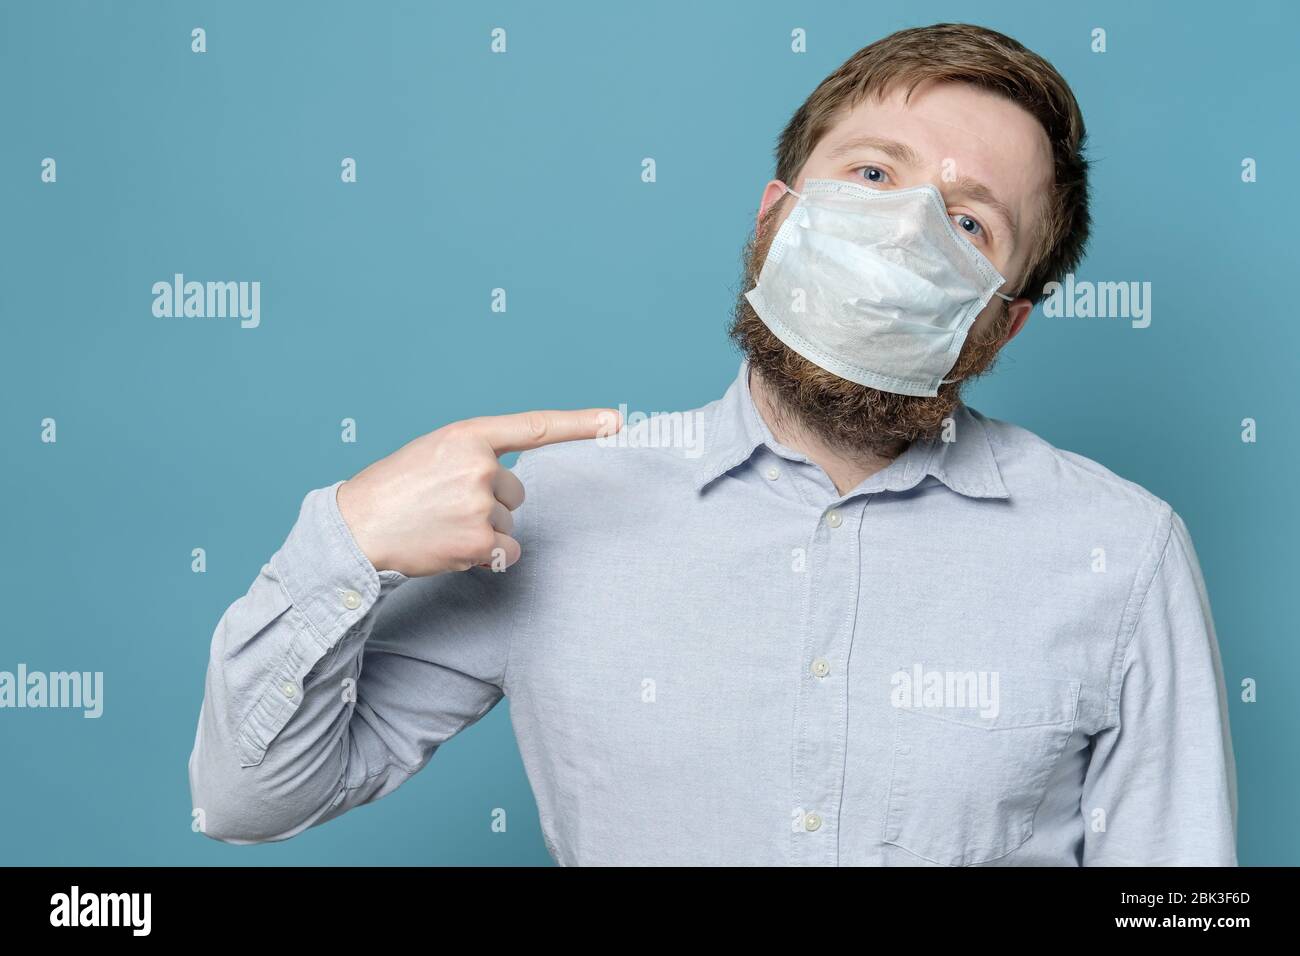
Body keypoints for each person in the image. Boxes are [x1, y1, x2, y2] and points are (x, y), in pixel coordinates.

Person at [188, 22, 1237, 866]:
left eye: (969, 223)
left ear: (1002, 320)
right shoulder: (555, 509)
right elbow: (250, 796)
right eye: (873, 175)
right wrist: (349, 540)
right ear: (775, 215)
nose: (904, 233)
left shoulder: (1120, 550)